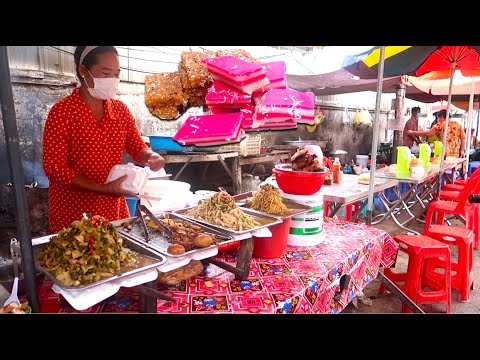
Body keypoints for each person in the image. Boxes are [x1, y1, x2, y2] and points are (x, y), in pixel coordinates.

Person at [42, 46, 165, 233]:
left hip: (112, 210)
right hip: (73, 212)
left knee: (117, 257)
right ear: (83, 70)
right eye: (106, 73)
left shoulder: (120, 110)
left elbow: (136, 145)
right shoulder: (63, 113)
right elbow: (55, 168)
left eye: (116, 74)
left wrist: (149, 156)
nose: (112, 80)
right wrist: (102, 188)